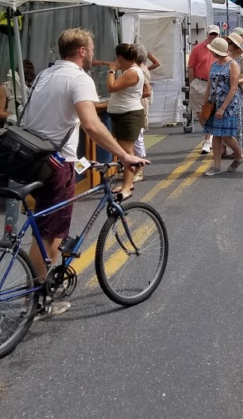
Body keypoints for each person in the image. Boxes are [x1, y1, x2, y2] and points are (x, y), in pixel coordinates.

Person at [20, 29, 147, 306]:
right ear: (81, 51)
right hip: (57, 162)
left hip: (33, 158)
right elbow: (90, 125)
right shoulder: (79, 78)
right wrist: (123, 156)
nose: (93, 54)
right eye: (90, 49)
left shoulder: (45, 73)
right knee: (51, 234)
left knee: (43, 231)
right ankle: (36, 301)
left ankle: (36, 291)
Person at [106, 43, 147, 200]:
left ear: (120, 58)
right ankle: (127, 183)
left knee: (127, 153)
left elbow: (111, 87)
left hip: (128, 115)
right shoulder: (132, 70)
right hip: (122, 114)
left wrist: (111, 69)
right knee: (125, 152)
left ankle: (127, 187)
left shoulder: (133, 71)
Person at [203, 38, 243, 176]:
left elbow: (233, 88)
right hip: (214, 103)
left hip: (227, 104)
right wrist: (205, 104)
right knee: (216, 134)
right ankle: (217, 166)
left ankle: (239, 155)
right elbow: (209, 86)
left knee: (226, 136)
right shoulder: (214, 65)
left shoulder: (232, 64)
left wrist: (223, 108)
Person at [188, 26, 220, 154]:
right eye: (211, 34)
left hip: (216, 84)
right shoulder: (198, 48)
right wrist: (192, 83)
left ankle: (208, 138)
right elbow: (191, 66)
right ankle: (209, 134)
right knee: (200, 113)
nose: (213, 37)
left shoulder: (222, 47)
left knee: (212, 112)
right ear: (207, 35)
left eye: (215, 35)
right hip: (199, 82)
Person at [131, 45, 158, 180]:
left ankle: (139, 169)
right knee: (135, 137)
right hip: (139, 104)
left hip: (139, 104)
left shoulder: (140, 70)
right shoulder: (141, 69)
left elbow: (146, 91)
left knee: (138, 137)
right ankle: (135, 167)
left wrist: (131, 95)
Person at [0, 59, 36, 134]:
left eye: (28, 81)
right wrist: (13, 117)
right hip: (4, 131)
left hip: (22, 131)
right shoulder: (5, 88)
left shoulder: (31, 90)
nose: (25, 83)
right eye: (24, 80)